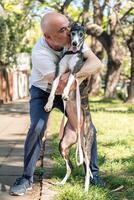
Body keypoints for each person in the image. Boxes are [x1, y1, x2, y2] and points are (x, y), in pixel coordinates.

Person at [10, 12, 104, 196]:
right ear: (48, 36)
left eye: (68, 26)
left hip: (68, 89)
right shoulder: (40, 53)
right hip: (43, 91)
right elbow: (60, 84)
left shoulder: (74, 39)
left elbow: (97, 63)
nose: (69, 32)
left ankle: (93, 174)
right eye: (63, 30)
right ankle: (26, 178)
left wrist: (76, 74)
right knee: (38, 126)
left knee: (86, 126)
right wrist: (80, 74)